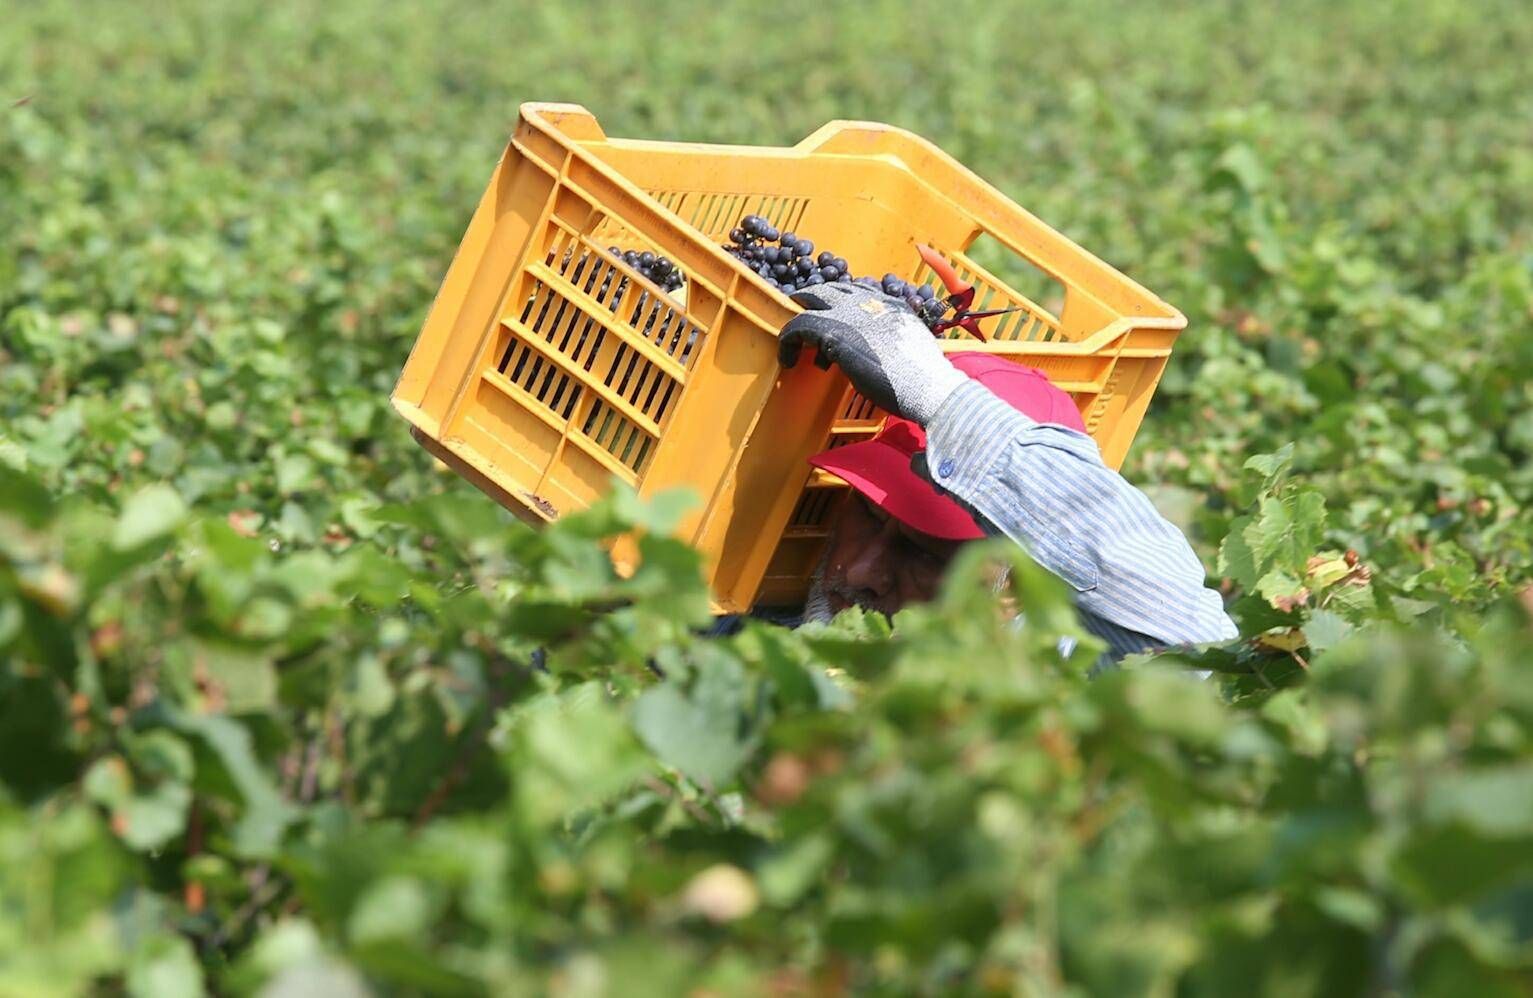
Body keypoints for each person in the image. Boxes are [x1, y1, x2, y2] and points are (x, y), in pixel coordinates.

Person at [772, 281, 1237, 662]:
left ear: (1015, 590)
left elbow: (1200, 648)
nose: (859, 572)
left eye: (927, 554)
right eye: (868, 516)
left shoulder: (1060, 683)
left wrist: (940, 399)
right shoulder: (758, 616)